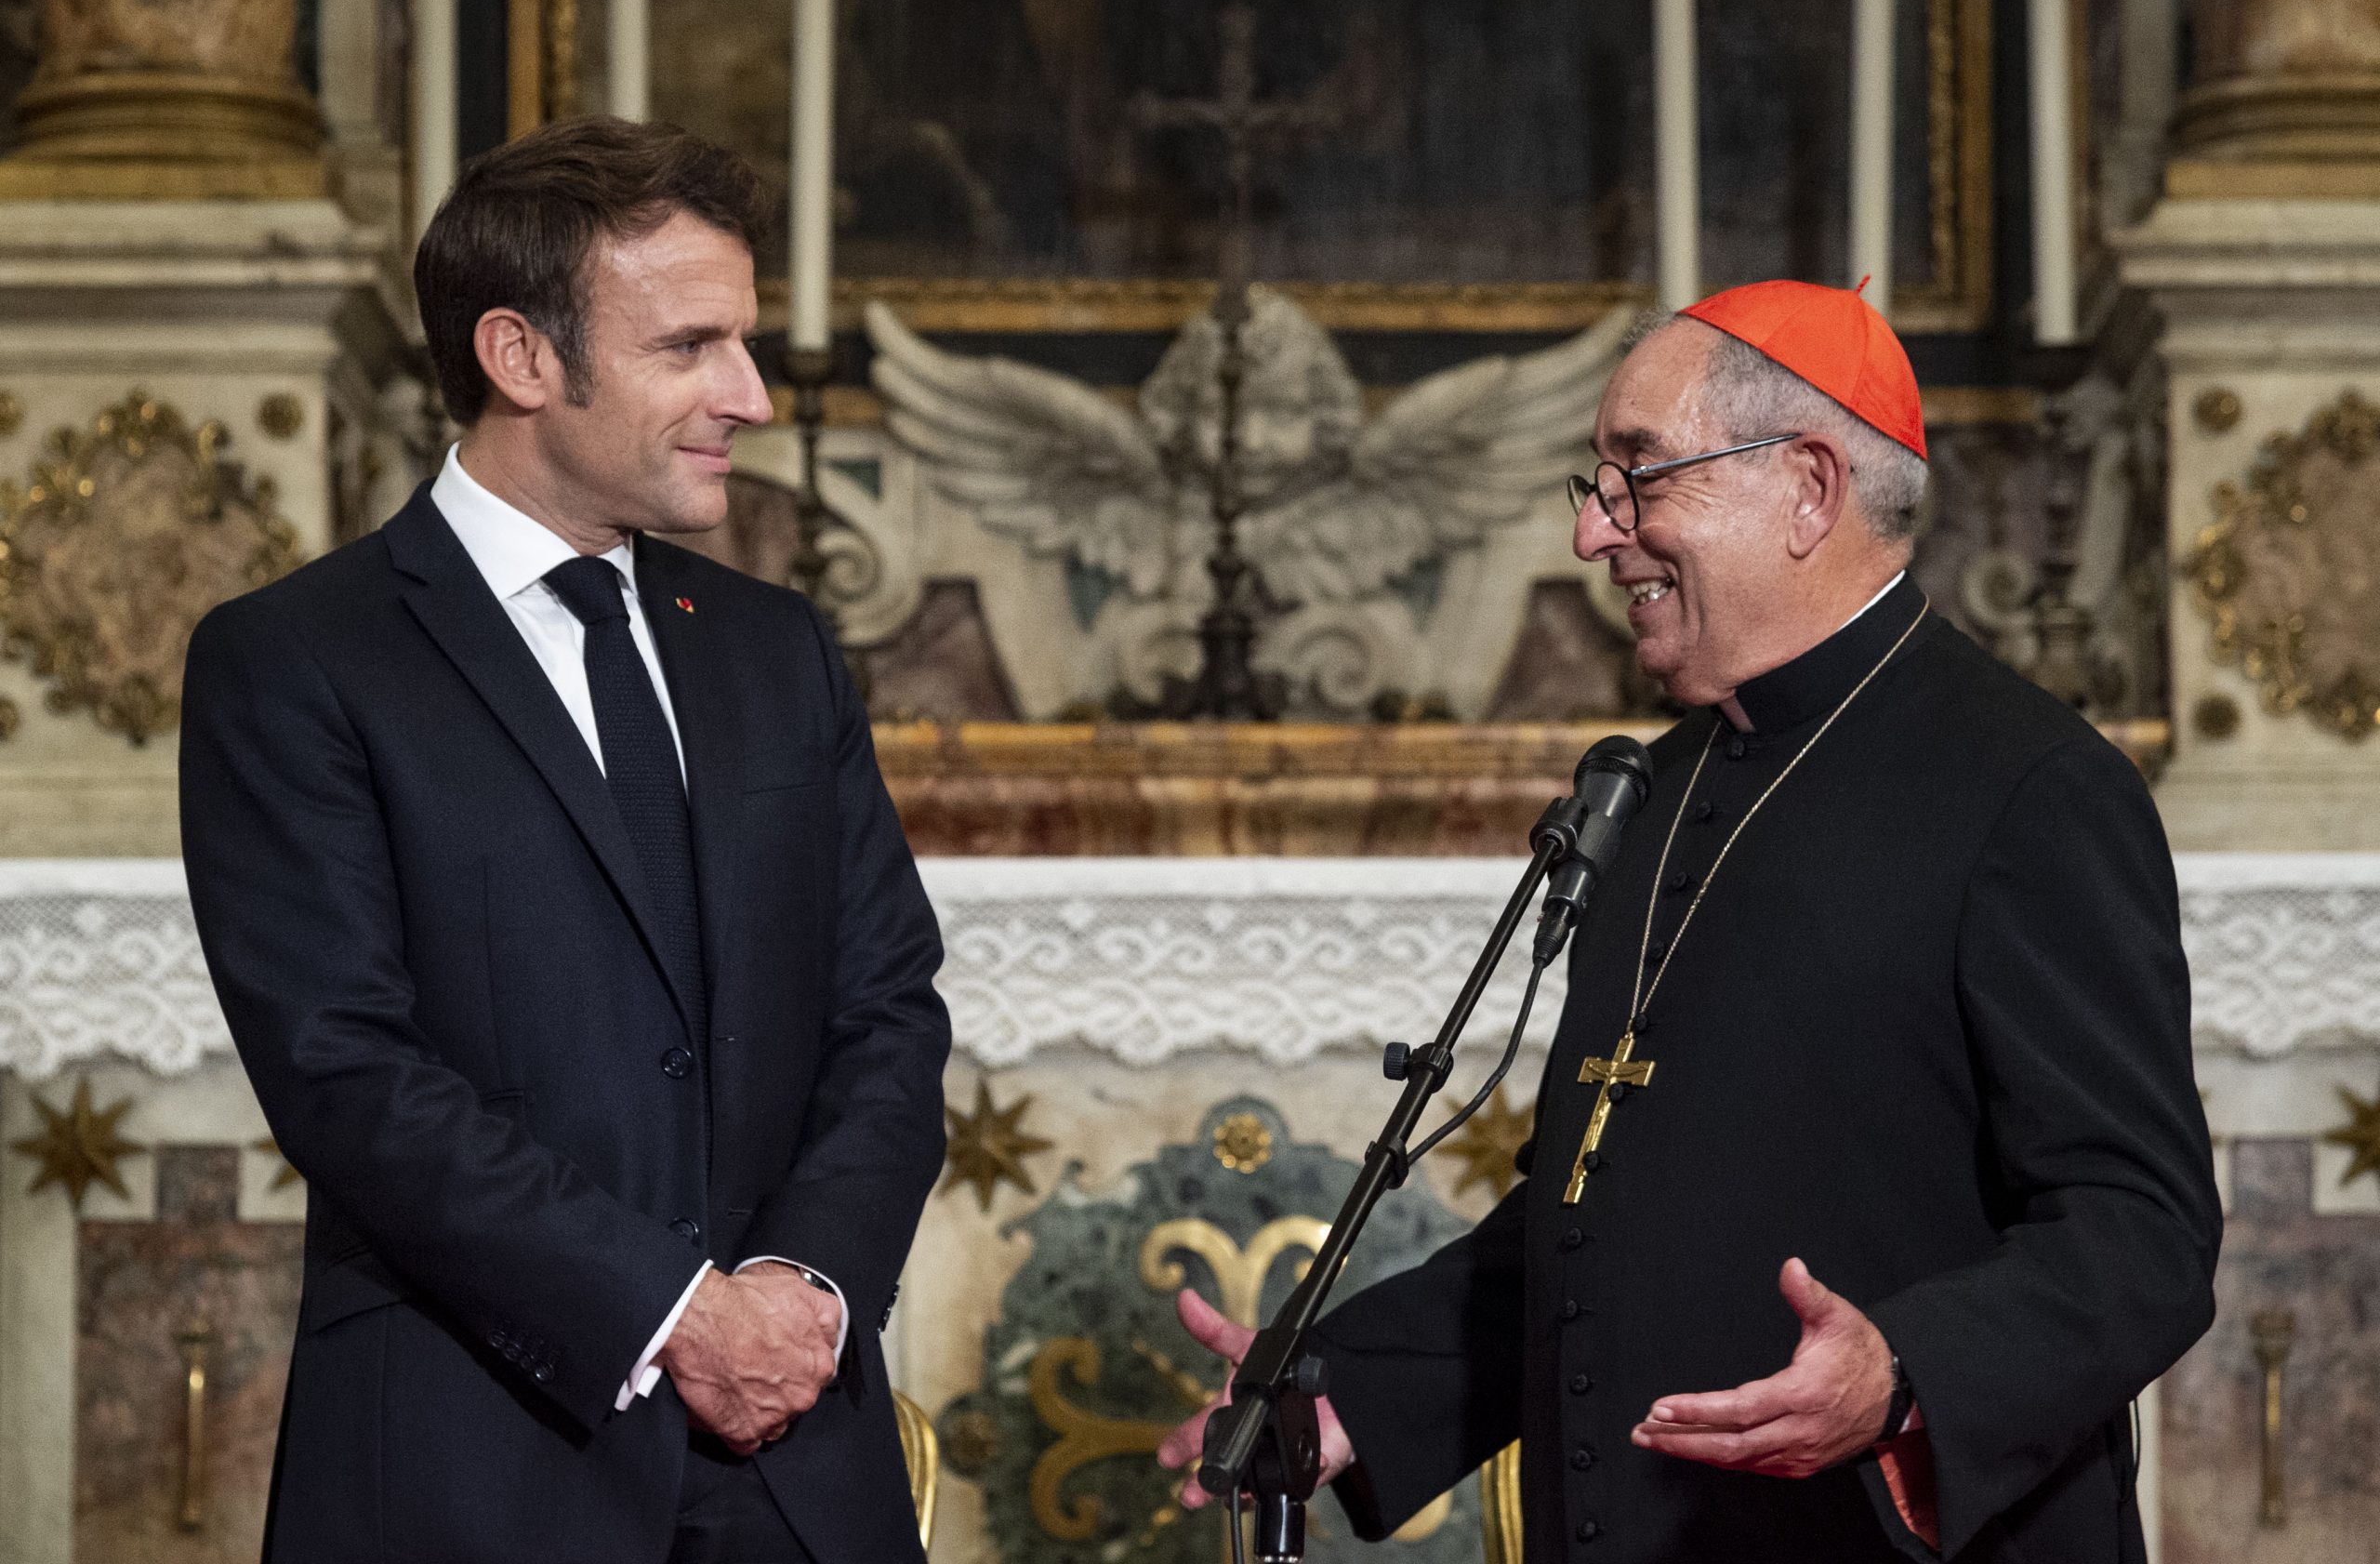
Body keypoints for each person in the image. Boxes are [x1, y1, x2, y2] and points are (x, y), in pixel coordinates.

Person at [1158, 280, 2220, 1562]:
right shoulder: (1647, 796)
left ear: (1808, 489)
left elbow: (2142, 1229)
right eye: (1596, 484)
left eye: (1640, 478)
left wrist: (1904, 1371)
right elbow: (1595, 1216)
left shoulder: (2031, 788)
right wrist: (1347, 1391)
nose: (1596, 536)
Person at [180, 117, 949, 1564]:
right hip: (479, 1454)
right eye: (692, 347)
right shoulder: (297, 661)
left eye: (749, 341)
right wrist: (675, 1316)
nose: (755, 397)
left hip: (796, 1464)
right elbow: (348, 1071)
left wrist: (802, 1291)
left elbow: (888, 1009)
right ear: (521, 358)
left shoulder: (779, 654)